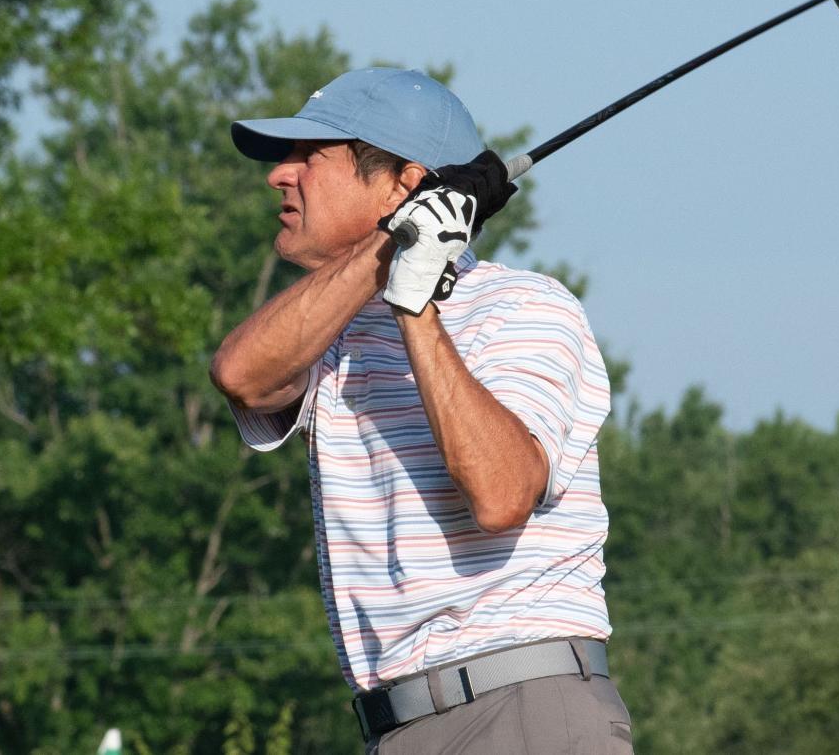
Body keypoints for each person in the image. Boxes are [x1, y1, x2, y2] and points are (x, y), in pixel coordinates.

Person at [211, 68, 631, 753]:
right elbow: (241, 377)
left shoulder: (525, 307)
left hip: (520, 710)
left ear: (405, 183)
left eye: (308, 157)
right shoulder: (334, 329)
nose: (278, 177)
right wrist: (391, 250)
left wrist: (415, 305)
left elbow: (501, 495)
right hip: (399, 727)